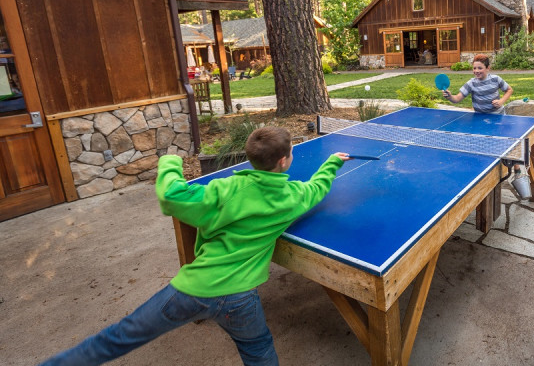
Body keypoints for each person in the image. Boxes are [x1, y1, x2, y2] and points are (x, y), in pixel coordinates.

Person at [41, 127, 351, 366]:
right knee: (258, 349)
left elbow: (171, 196)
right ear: (284, 161)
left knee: (120, 336)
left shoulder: (223, 190)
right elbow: (316, 189)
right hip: (239, 300)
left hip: (192, 290)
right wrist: (331, 164)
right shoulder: (292, 197)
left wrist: (171, 162)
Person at [441, 54, 522, 179]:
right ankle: (487, 172)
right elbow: (457, 99)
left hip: (498, 117)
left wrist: (501, 102)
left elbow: (509, 90)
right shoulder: (471, 83)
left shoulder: (496, 79)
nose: (476, 71)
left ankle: (517, 170)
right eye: (474, 68)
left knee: (507, 143)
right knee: (483, 144)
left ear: (488, 68)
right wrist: (450, 96)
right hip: (480, 119)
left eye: (480, 68)